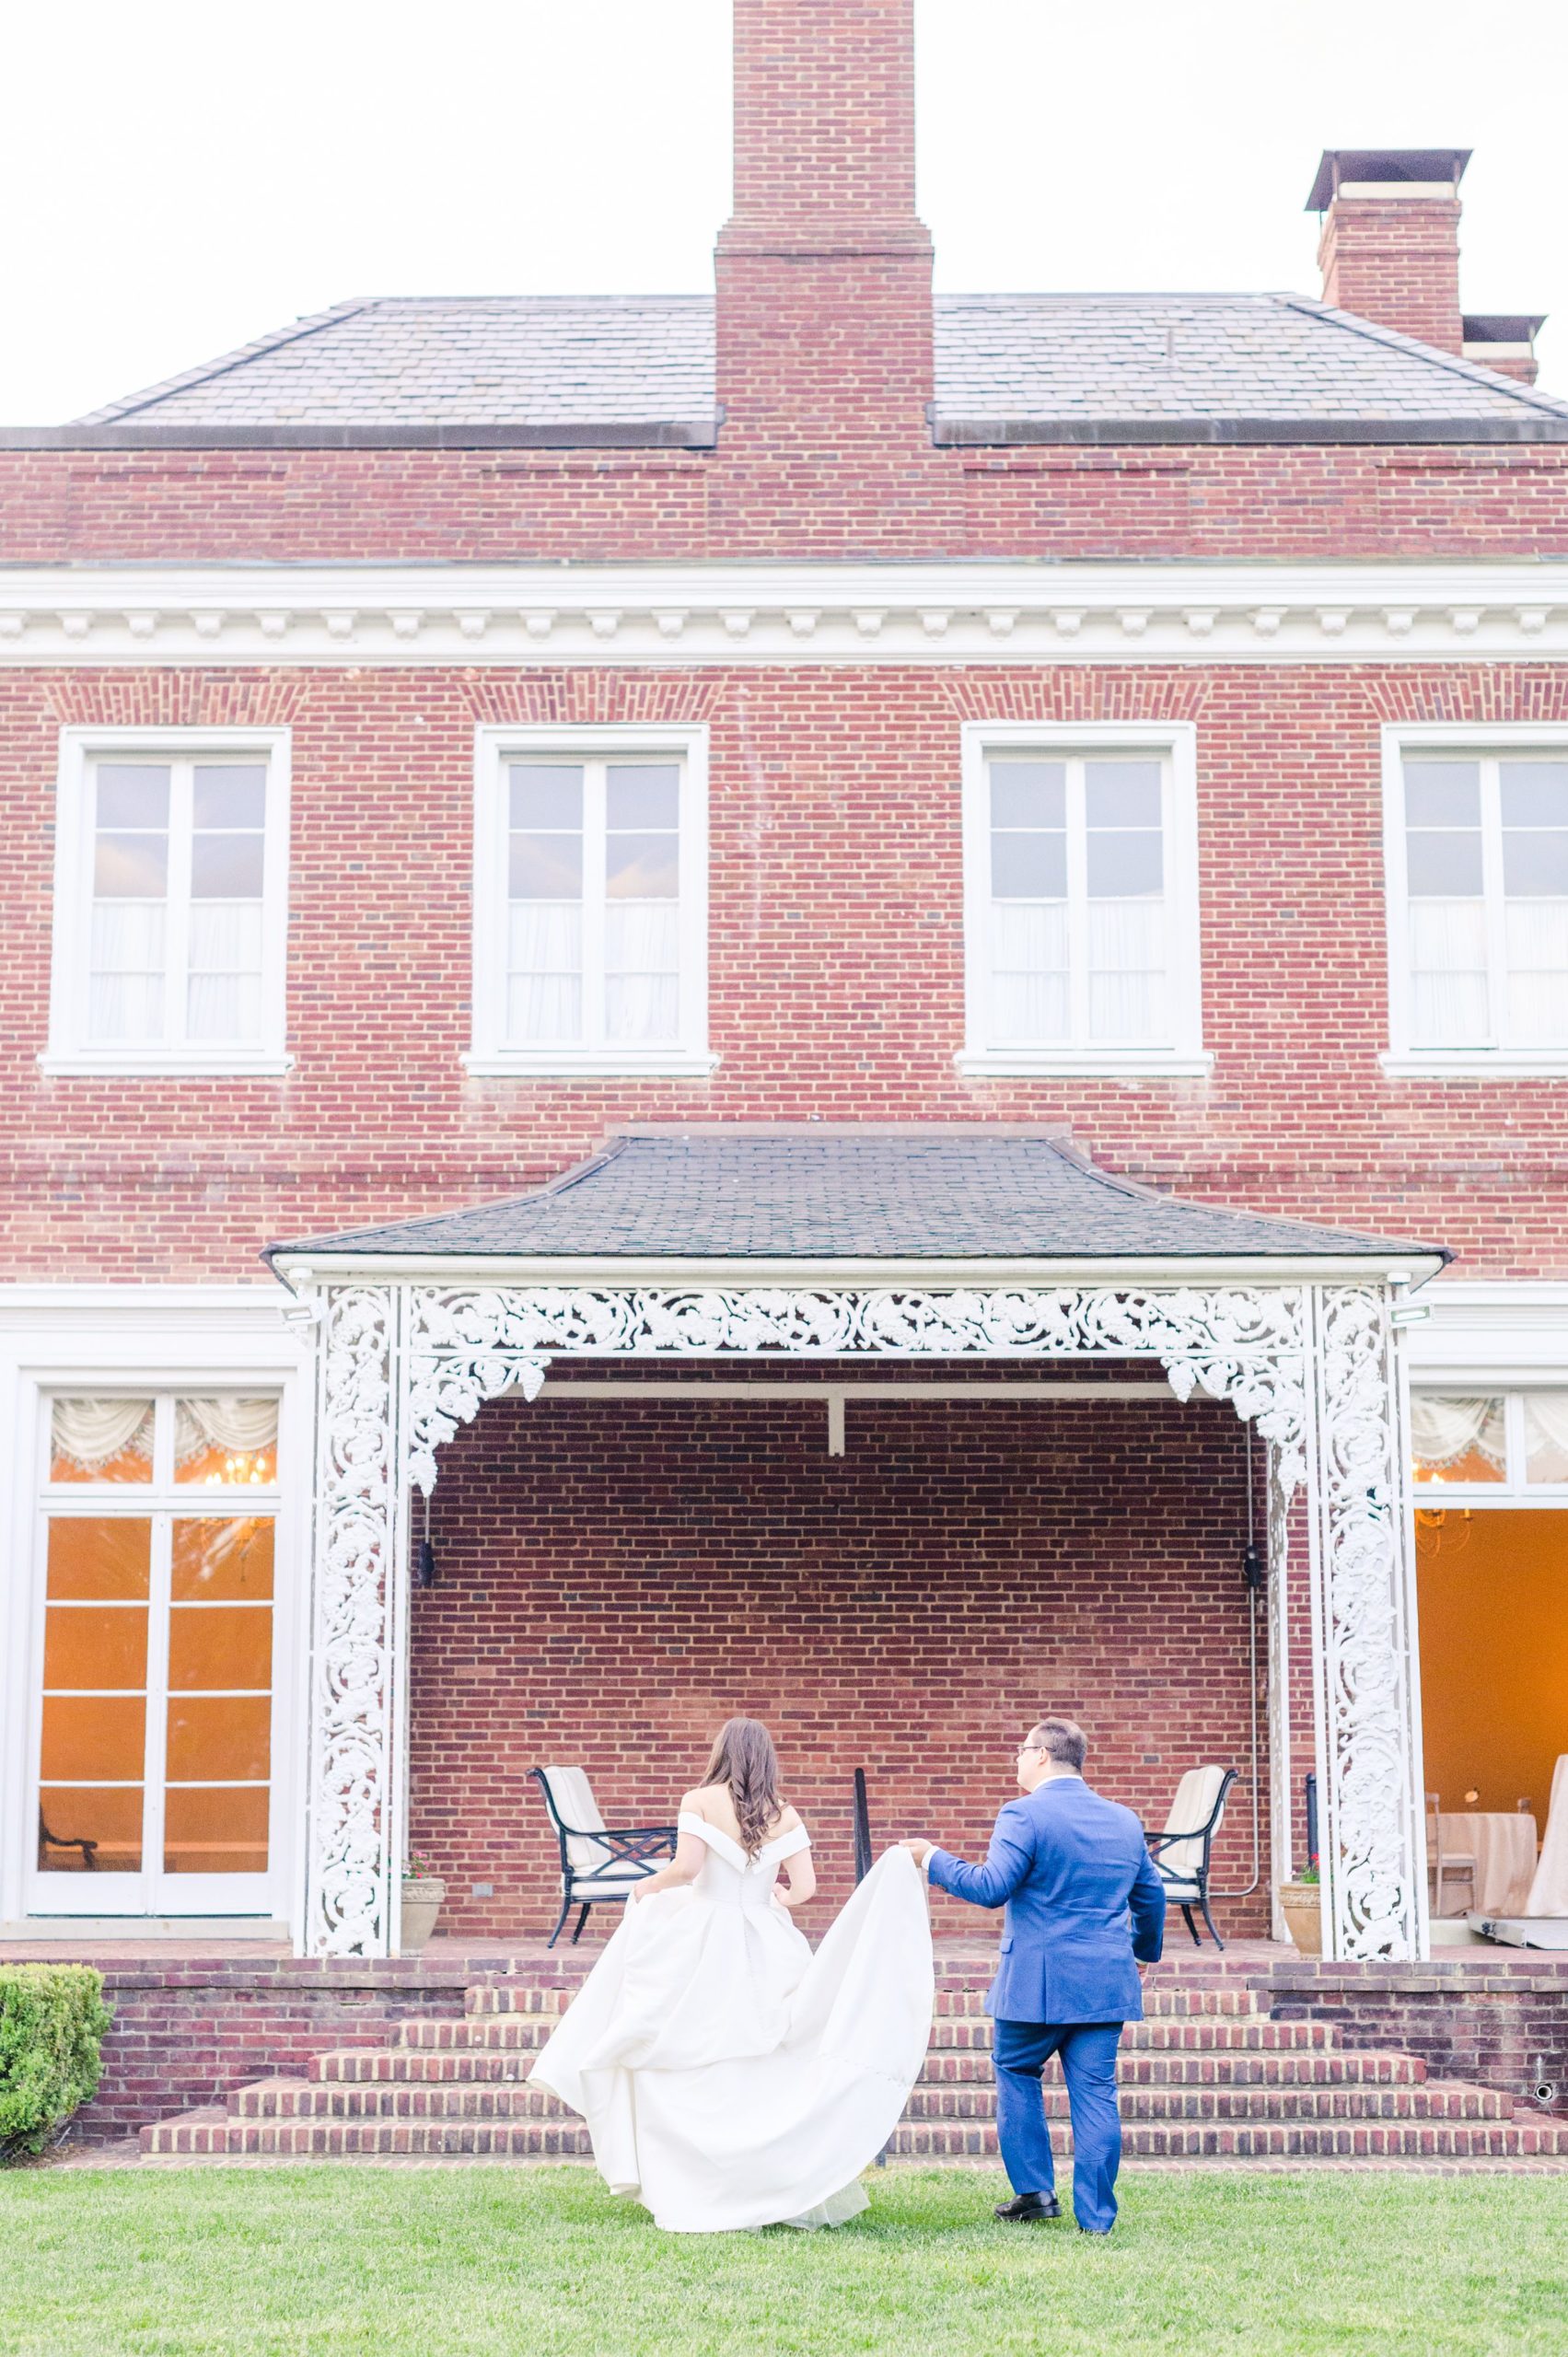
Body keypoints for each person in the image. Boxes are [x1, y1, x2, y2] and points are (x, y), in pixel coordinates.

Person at [531, 1715, 933, 2233]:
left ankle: (689, 2182)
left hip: (703, 1936)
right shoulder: (784, 1813)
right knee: (764, 2060)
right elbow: (805, 1888)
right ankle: (762, 2181)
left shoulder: (699, 1800)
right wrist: (774, 1897)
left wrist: (643, 1891)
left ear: (722, 1752)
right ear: (766, 1758)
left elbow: (687, 1870)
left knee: (687, 2048)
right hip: (765, 1939)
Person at [901, 1714, 1166, 2235]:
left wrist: (931, 1858)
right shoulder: (1123, 1820)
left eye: (1022, 1750)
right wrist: (1142, 1953)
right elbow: (1151, 1896)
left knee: (1017, 2073)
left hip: (1035, 1985)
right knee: (1097, 2093)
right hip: (1105, 1980)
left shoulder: (1022, 1814)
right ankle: (1097, 2220)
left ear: (1042, 1754)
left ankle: (1035, 2192)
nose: (1017, 1759)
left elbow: (991, 1886)